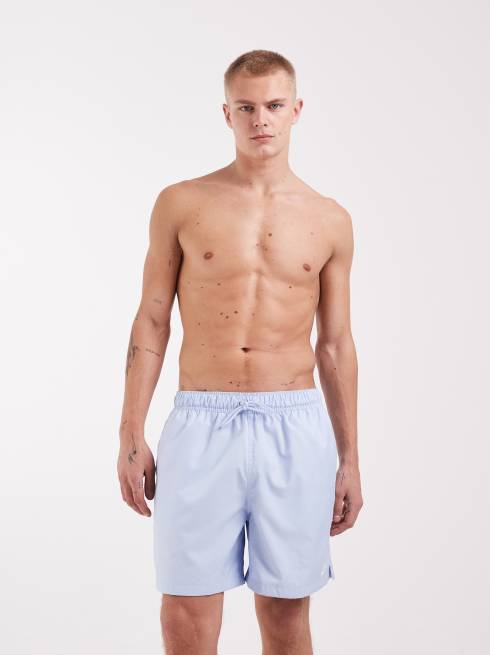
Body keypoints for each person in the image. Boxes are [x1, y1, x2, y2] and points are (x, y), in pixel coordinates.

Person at [117, 49, 363, 655]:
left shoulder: (330, 219)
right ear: (226, 114)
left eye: (274, 106)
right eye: (246, 108)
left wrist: (350, 458)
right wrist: (130, 431)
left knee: (286, 612)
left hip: (294, 424)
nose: (261, 120)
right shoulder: (181, 203)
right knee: (186, 609)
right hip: (201, 421)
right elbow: (152, 320)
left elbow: (335, 344)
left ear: (296, 110)